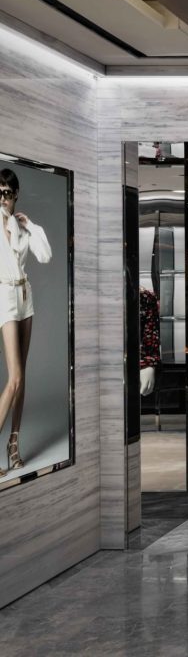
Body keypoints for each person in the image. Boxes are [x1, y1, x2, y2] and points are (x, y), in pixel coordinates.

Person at [0, 168, 52, 476]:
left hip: (25, 296)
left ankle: (14, 444)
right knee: (15, 378)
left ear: (16, 194)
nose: (3, 199)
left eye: (7, 193)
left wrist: (29, 224)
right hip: (5, 297)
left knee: (23, 377)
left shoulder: (21, 226)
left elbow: (45, 255)